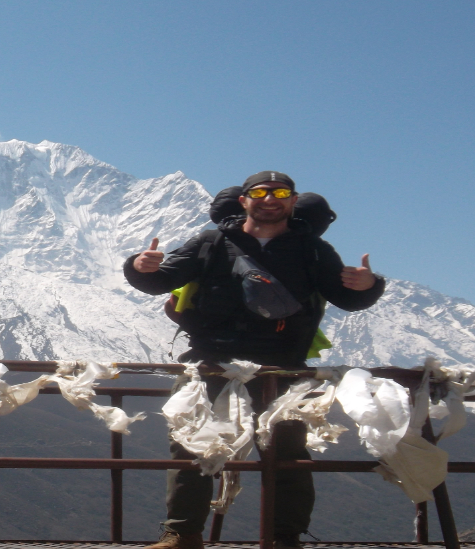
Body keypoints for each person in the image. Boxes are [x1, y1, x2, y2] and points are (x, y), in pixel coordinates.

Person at [124, 171, 385, 549]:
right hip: (213, 360)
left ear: (293, 201)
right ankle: (182, 534)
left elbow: (348, 299)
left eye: (280, 192)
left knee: (287, 452)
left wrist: (368, 285)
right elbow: (159, 281)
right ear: (244, 200)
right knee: (191, 444)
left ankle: (283, 539)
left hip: (285, 366)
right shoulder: (212, 242)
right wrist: (139, 266)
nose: (270, 199)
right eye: (260, 192)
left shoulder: (313, 251)